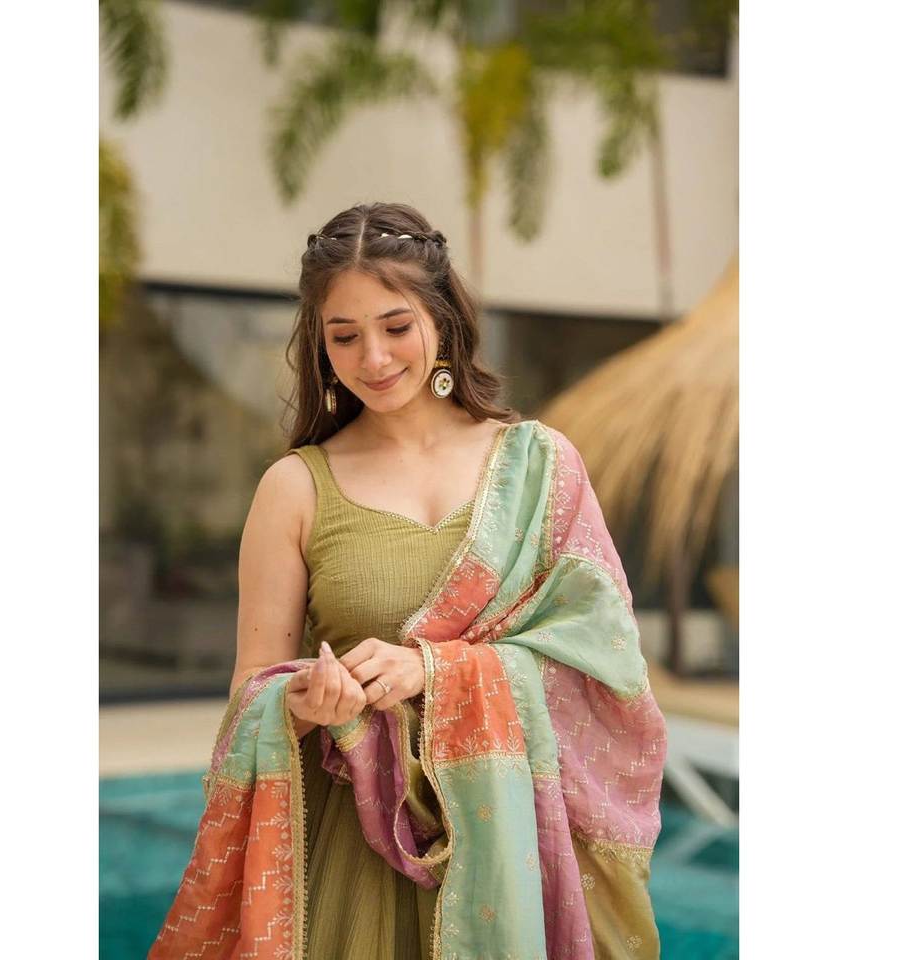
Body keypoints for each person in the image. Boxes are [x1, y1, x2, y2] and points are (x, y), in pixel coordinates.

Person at [149, 202, 666, 960]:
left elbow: (605, 655)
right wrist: (300, 704)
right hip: (351, 852)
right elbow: (249, 692)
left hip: (511, 851)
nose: (374, 357)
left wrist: (433, 669)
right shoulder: (294, 488)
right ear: (319, 344)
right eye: (344, 335)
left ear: (442, 320)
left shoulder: (539, 466)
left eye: (396, 326)